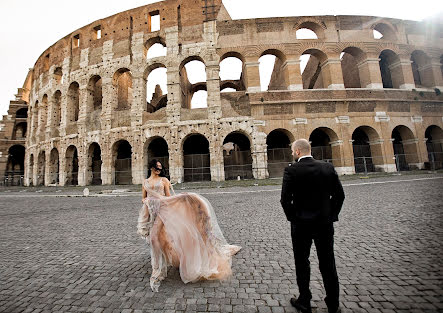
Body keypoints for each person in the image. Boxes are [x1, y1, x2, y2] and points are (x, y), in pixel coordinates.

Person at [137, 159, 241, 292]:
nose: (159, 169)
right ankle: (165, 260)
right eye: (157, 167)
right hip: (152, 212)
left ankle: (157, 269)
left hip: (163, 210)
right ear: (151, 168)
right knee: (162, 238)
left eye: (160, 168)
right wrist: (147, 201)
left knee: (153, 238)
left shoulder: (164, 180)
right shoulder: (145, 182)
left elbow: (169, 198)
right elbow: (143, 197)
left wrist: (183, 197)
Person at [280, 139, 345, 313]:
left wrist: (294, 217)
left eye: (293, 151)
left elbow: (285, 200)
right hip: (324, 224)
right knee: (328, 263)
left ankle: (304, 300)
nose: (293, 154)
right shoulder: (327, 168)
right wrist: (331, 215)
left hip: (300, 225)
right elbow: (340, 196)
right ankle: (333, 303)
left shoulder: (291, 170)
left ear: (298, 152)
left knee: (302, 262)